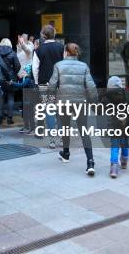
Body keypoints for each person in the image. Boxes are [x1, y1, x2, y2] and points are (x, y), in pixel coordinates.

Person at [48, 43, 98, 176]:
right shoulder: (84, 66)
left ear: (66, 52)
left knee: (65, 127)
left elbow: (52, 85)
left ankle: (66, 153)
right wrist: (95, 102)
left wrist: (50, 99)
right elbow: (91, 87)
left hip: (63, 103)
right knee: (84, 131)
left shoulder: (58, 65)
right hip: (80, 102)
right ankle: (90, 162)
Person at [32, 25, 64, 148]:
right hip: (60, 85)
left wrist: (37, 81)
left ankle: (51, 140)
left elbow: (35, 68)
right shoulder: (61, 48)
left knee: (49, 111)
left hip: (44, 84)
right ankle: (62, 138)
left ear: (43, 35)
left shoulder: (39, 50)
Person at [103, 76, 129, 178]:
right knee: (125, 144)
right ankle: (124, 161)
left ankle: (114, 168)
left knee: (114, 146)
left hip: (113, 127)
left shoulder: (106, 97)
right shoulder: (126, 95)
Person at [0, 38, 20, 125]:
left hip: (0, 77)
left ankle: (0, 117)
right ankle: (10, 118)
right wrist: (13, 73)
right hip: (11, 78)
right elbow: (18, 66)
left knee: (0, 97)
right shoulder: (12, 53)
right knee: (10, 97)